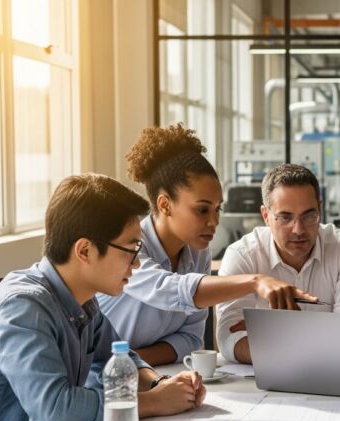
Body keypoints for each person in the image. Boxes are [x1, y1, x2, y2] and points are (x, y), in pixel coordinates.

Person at [0, 174, 207, 421]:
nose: (136, 264)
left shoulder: (81, 298)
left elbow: (119, 355)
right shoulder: (22, 308)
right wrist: (154, 402)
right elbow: (55, 410)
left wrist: (160, 384)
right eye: (131, 250)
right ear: (84, 251)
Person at [97, 125, 312, 366]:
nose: (214, 221)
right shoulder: (129, 247)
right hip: (98, 380)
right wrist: (255, 282)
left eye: (217, 208)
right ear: (165, 205)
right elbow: (167, 289)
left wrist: (127, 361)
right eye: (202, 210)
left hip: (139, 371)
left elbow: (190, 339)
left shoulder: (198, 254)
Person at [216, 164, 340, 364]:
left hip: (330, 375)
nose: (298, 230)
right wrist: (316, 340)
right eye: (285, 217)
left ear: (320, 210)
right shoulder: (242, 255)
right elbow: (228, 339)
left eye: (308, 216)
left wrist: (273, 338)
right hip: (266, 380)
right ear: (266, 216)